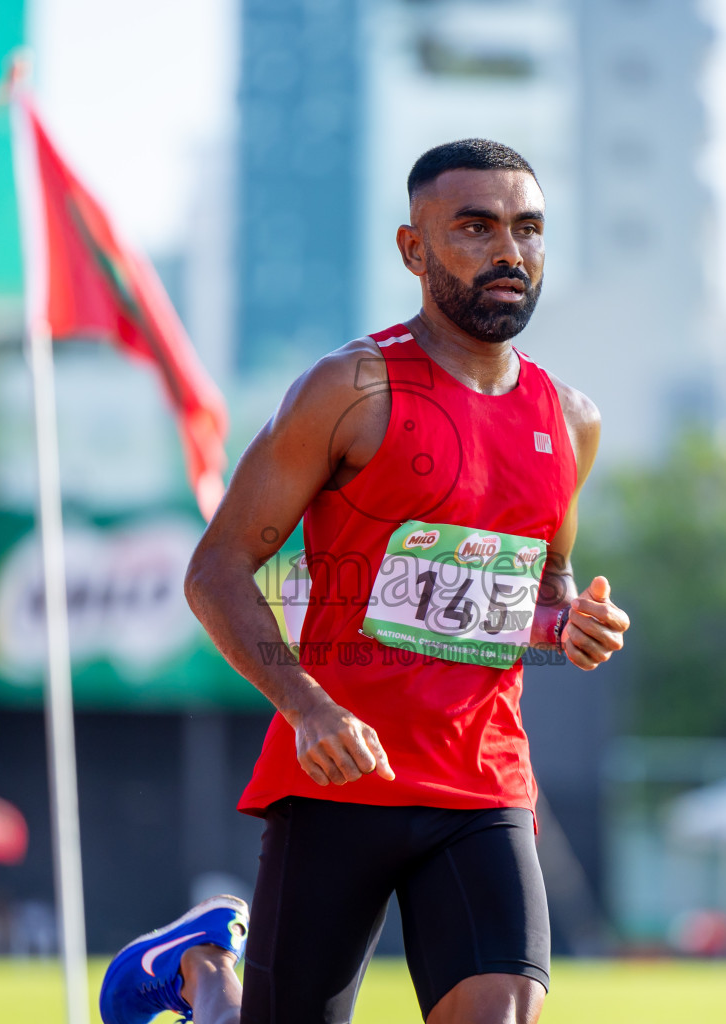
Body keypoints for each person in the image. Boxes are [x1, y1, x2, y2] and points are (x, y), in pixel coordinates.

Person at [99, 138, 630, 1024]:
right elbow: (215, 570)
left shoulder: (570, 422)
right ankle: (204, 972)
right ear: (413, 250)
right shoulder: (350, 389)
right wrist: (307, 707)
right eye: (476, 227)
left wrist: (570, 624)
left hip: (482, 785)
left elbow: (541, 595)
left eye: (528, 229)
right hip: (341, 777)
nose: (510, 251)